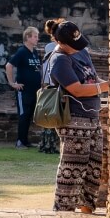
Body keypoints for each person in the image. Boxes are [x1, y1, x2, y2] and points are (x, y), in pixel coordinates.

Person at [45, 20, 108, 214]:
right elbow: (77, 90)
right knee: (73, 164)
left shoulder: (81, 52)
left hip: (91, 114)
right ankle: (64, 209)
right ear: (60, 43)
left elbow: (92, 77)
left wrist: (104, 84)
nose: (77, 48)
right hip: (73, 116)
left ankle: (86, 205)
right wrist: (107, 87)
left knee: (94, 163)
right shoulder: (59, 59)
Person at [5, 27, 42, 148]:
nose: (37, 39)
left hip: (35, 90)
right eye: (35, 36)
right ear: (28, 37)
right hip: (23, 90)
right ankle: (20, 141)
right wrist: (12, 83)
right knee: (23, 115)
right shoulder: (22, 52)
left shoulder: (34, 52)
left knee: (30, 115)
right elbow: (9, 66)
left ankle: (25, 141)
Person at [37, 18, 65, 154]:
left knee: (50, 115)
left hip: (50, 83)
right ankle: (49, 145)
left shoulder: (50, 47)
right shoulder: (54, 47)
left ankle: (48, 145)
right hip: (55, 84)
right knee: (53, 115)